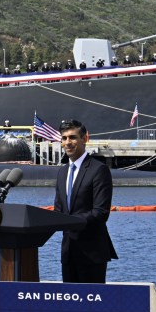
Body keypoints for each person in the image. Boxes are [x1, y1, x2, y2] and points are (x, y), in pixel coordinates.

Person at [54, 119, 117, 284]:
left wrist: (70, 222)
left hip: (92, 253)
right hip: (68, 253)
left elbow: (101, 213)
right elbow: (58, 211)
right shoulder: (62, 173)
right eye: (64, 138)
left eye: (73, 137)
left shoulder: (98, 170)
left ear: (84, 139)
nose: (68, 142)